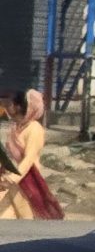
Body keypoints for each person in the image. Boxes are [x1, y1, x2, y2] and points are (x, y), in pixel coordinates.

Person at [1, 89, 63, 221]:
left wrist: (13, 178)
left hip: (27, 180)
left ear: (18, 107)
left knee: (26, 219)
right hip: (10, 181)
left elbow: (29, 158)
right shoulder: (15, 128)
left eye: (10, 104)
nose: (6, 107)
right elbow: (8, 155)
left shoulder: (34, 129)